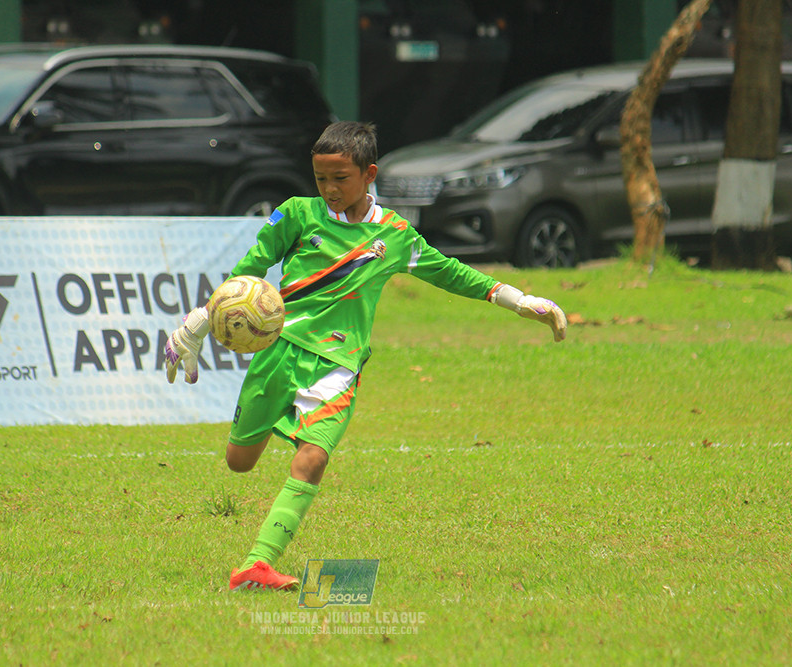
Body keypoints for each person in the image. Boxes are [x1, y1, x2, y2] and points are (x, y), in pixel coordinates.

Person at [164, 121, 567, 591]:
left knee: (312, 459)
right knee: (239, 462)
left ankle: (257, 564)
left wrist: (518, 300)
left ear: (369, 173)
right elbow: (247, 273)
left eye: (341, 178)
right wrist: (196, 326)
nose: (330, 189)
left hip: (337, 366)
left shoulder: (394, 235)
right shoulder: (297, 215)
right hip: (277, 355)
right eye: (321, 179)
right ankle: (272, 434)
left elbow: (450, 272)